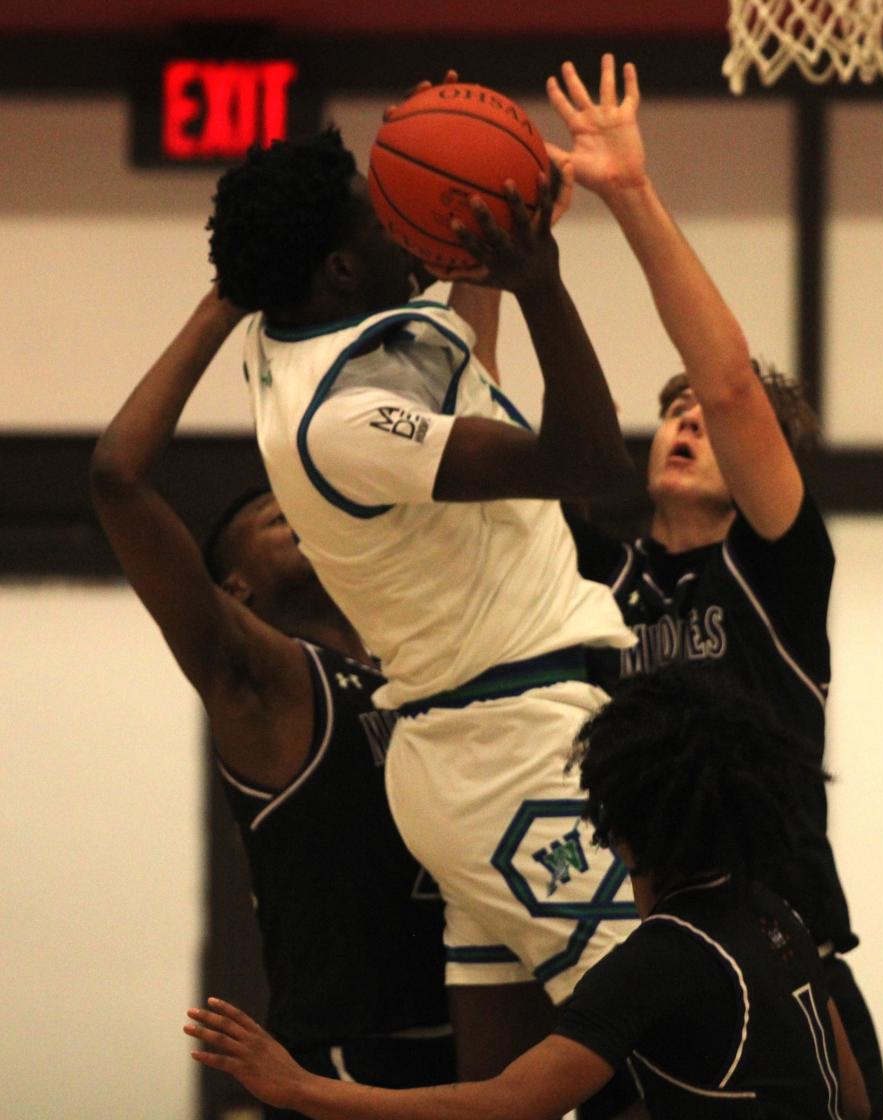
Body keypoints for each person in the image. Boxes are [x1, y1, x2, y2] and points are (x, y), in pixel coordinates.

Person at [205, 120, 650, 1089]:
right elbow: (592, 466)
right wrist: (541, 281)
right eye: (382, 212)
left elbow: (446, 390)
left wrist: (480, 238)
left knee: (501, 1090)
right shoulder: (345, 418)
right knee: (675, 1041)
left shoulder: (304, 341)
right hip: (516, 753)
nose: (399, 220)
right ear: (337, 267)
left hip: (472, 751)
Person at [536, 54, 883, 1116]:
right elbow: (498, 445)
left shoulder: (774, 564)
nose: (689, 416)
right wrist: (513, 262)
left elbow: (730, 379)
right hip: (651, 944)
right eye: (673, 409)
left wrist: (629, 191)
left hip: (789, 944)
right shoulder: (606, 574)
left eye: (712, 419)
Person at [183, 665, 872, 1120]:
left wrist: (300, 1088)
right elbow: (855, 1100)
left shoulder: (659, 960)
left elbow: (510, 1105)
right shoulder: (775, 911)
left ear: (616, 818)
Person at [89, 289, 455, 1113]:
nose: (294, 510)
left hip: (476, 1049)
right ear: (235, 587)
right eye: (268, 514)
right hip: (343, 1066)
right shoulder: (266, 685)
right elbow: (117, 477)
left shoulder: (426, 659)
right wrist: (229, 300)